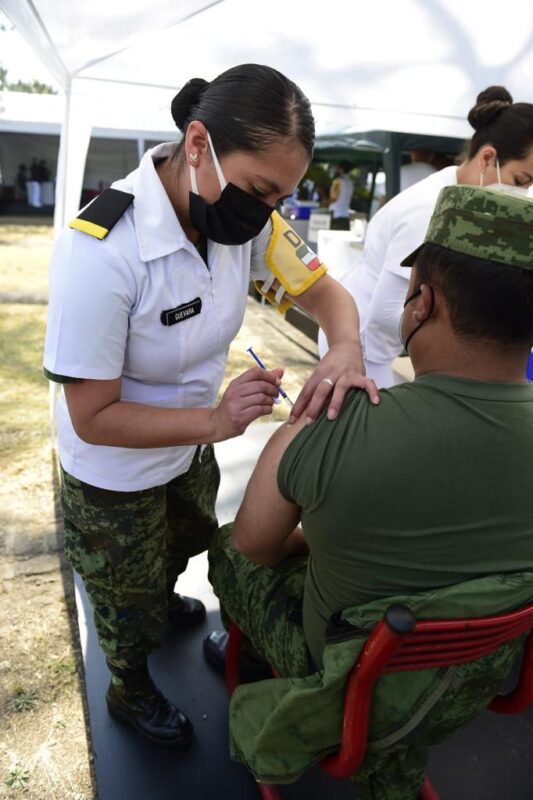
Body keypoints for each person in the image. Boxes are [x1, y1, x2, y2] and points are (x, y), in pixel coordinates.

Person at [43, 63, 378, 750]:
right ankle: (130, 686)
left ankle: (160, 601)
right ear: (197, 144)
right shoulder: (102, 250)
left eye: (281, 196)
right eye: (261, 190)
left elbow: (324, 294)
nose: (267, 211)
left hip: (189, 445)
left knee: (184, 541)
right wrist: (217, 422)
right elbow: (91, 415)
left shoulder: (244, 219)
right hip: (113, 468)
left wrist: (344, 348)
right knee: (122, 596)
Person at [207, 184, 533, 797]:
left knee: (225, 546)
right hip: (480, 678)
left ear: (420, 305)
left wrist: (305, 421)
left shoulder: (341, 430)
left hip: (347, 676)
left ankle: (255, 666)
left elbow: (255, 545)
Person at [319, 85, 533, 387]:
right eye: (520, 180)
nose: (523, 193)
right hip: (362, 347)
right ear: (487, 158)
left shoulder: (456, 193)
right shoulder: (429, 210)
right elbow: (386, 313)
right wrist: (465, 335)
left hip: (376, 343)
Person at [328, 159, 354, 229]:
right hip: (346, 214)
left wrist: (324, 203)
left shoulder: (337, 182)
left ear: (341, 169)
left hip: (336, 214)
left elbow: (333, 198)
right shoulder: (351, 182)